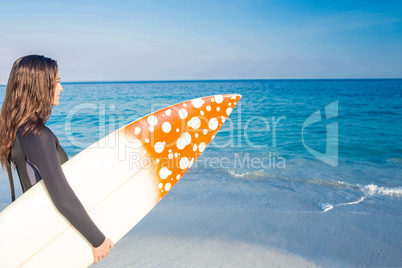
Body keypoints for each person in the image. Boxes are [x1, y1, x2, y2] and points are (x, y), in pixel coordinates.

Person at [0, 55, 114, 264]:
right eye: (56, 82)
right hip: (53, 231)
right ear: (38, 87)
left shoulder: (17, 131)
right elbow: (62, 196)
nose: (61, 88)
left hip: (39, 230)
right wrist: (97, 241)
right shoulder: (38, 136)